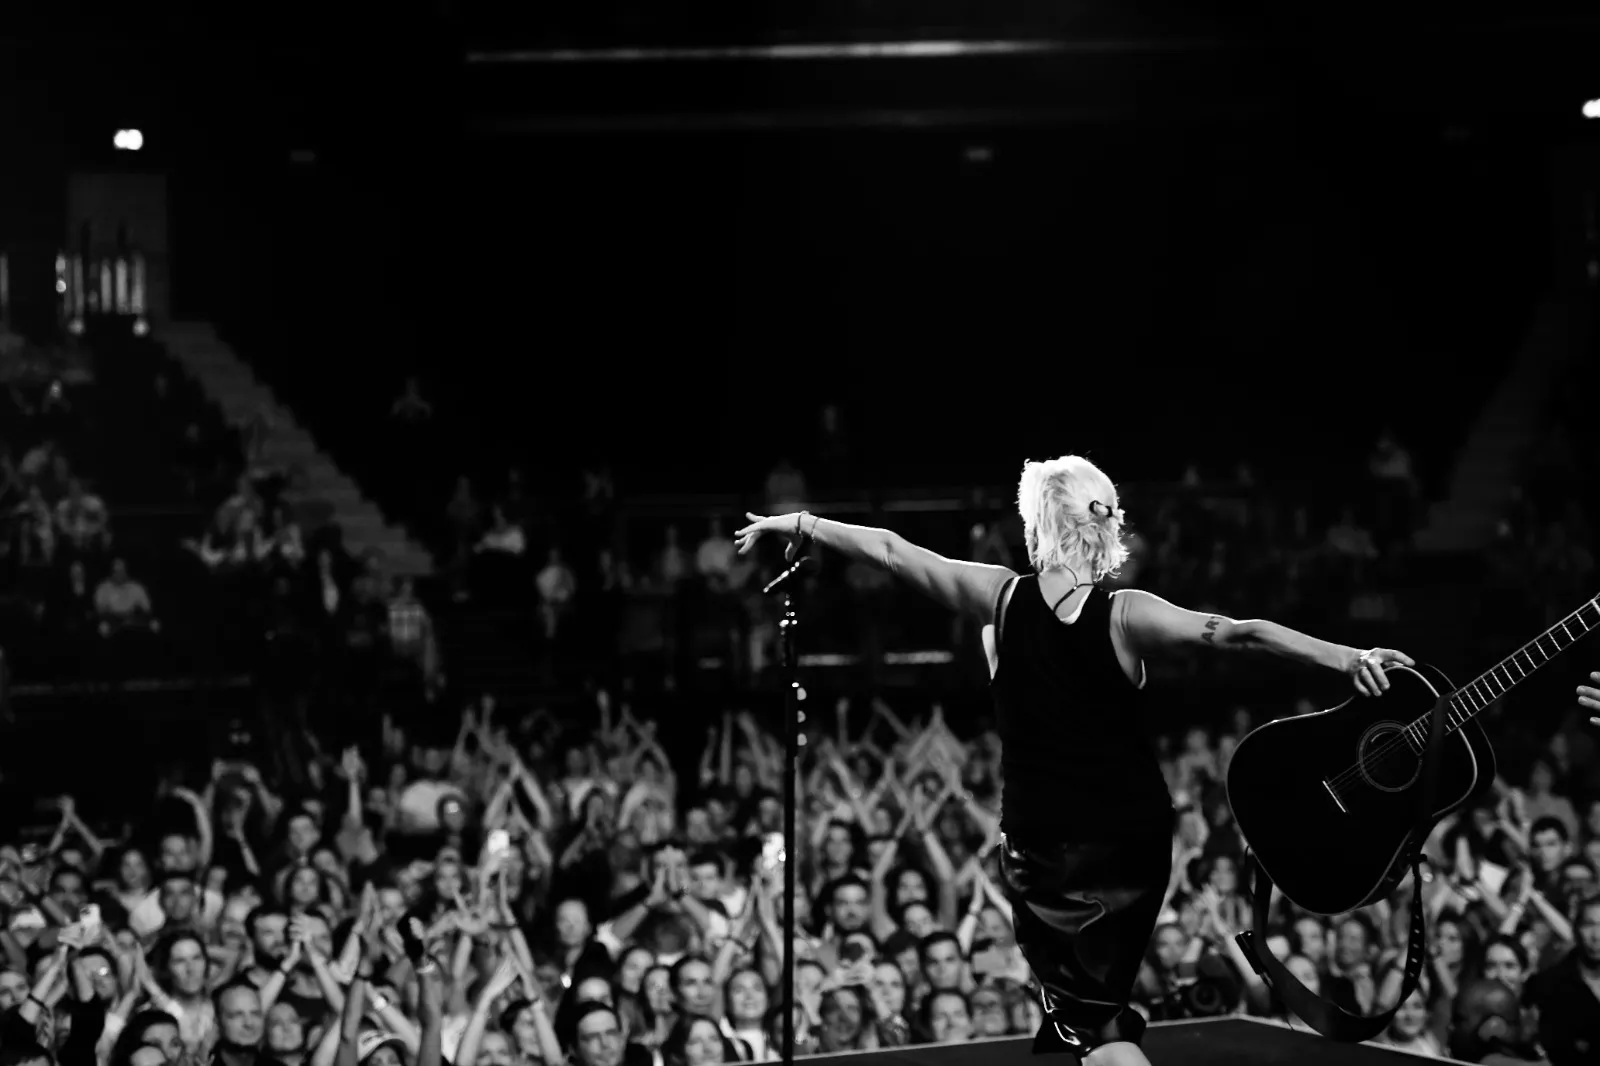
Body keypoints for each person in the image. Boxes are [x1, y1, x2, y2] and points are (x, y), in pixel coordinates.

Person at [735, 453, 1414, 1066]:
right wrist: (1347, 657)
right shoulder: (1126, 613)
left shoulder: (1000, 598)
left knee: (1096, 1029)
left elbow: (890, 550)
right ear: (1104, 521)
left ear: (1036, 522)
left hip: (1047, 852)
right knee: (1091, 1017)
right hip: (1134, 844)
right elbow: (1242, 634)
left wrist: (805, 523)